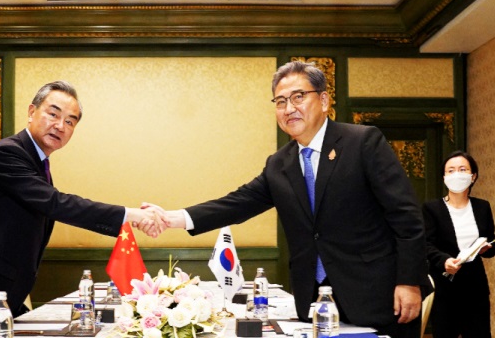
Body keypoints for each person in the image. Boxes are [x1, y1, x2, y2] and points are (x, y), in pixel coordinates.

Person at [143, 61, 429, 338]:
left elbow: (406, 216)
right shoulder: (279, 164)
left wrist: (409, 281)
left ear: (324, 100)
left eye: (298, 97)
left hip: (378, 296)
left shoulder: (362, 142)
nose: (289, 108)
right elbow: (237, 203)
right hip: (313, 301)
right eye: (280, 101)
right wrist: (172, 218)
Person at [0, 80, 165, 338]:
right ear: (31, 112)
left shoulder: (36, 161)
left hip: (3, 292)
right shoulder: (7, 153)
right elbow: (56, 203)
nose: (60, 126)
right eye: (53, 114)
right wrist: (129, 215)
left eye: (70, 121)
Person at [423, 151, 495, 338]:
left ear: (473, 176)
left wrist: (486, 249)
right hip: (444, 285)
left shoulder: (482, 207)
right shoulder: (432, 208)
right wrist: (444, 260)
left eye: (463, 169)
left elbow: (492, 243)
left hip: (475, 286)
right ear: (444, 177)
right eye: (451, 170)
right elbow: (426, 244)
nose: (457, 174)